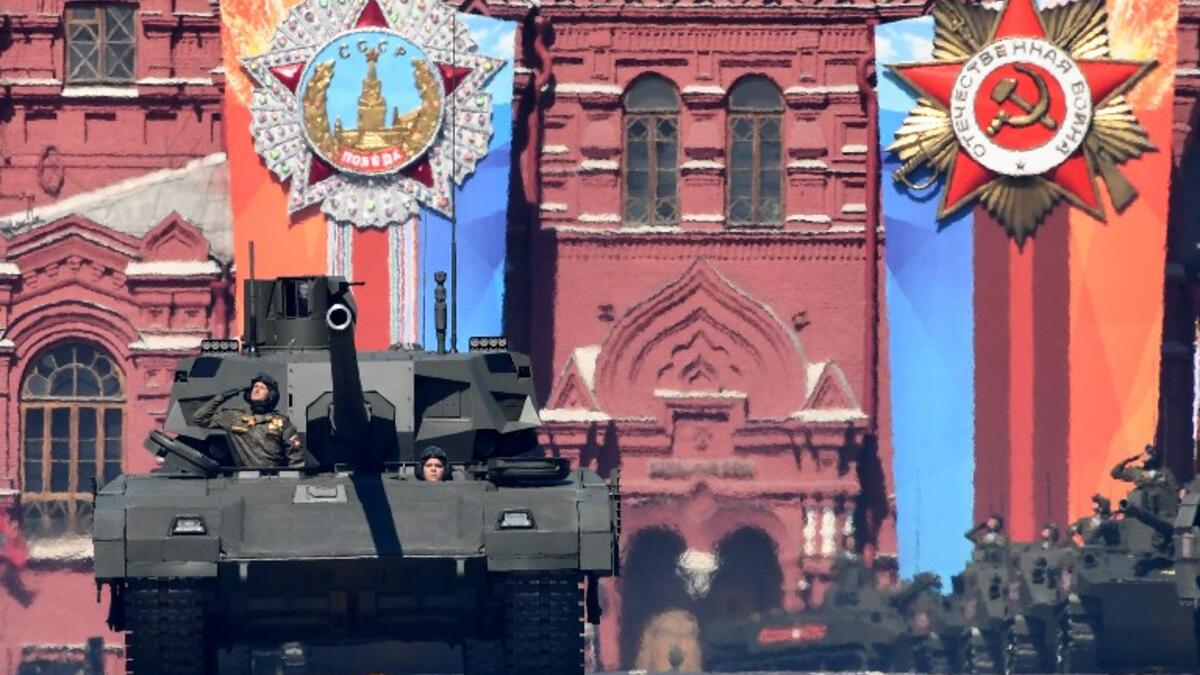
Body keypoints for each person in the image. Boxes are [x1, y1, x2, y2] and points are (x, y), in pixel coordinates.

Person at [192, 373, 306, 468]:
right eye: (255, 386)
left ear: (271, 395)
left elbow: (295, 454)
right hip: (246, 476)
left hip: (275, 476)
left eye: (262, 388)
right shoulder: (235, 417)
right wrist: (222, 397)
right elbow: (199, 418)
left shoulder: (281, 421)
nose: (256, 390)